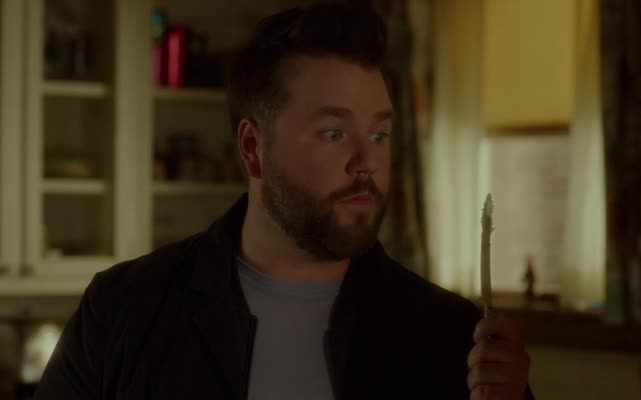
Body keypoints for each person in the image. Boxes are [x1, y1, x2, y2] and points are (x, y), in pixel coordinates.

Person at [34, 3, 532, 399]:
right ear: (254, 148)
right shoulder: (124, 312)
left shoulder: (451, 337)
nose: (367, 162)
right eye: (334, 133)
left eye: (379, 135)